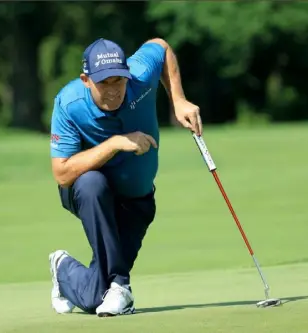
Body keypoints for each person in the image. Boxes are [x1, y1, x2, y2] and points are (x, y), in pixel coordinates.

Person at [48, 37, 202, 317]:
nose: (113, 91)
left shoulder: (140, 75)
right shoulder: (69, 103)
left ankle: (64, 270)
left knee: (96, 295)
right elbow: (62, 173)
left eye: (118, 81)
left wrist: (177, 100)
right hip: (89, 195)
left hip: (137, 201)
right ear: (86, 80)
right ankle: (122, 286)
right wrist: (115, 143)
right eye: (103, 83)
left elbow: (161, 46)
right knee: (92, 183)